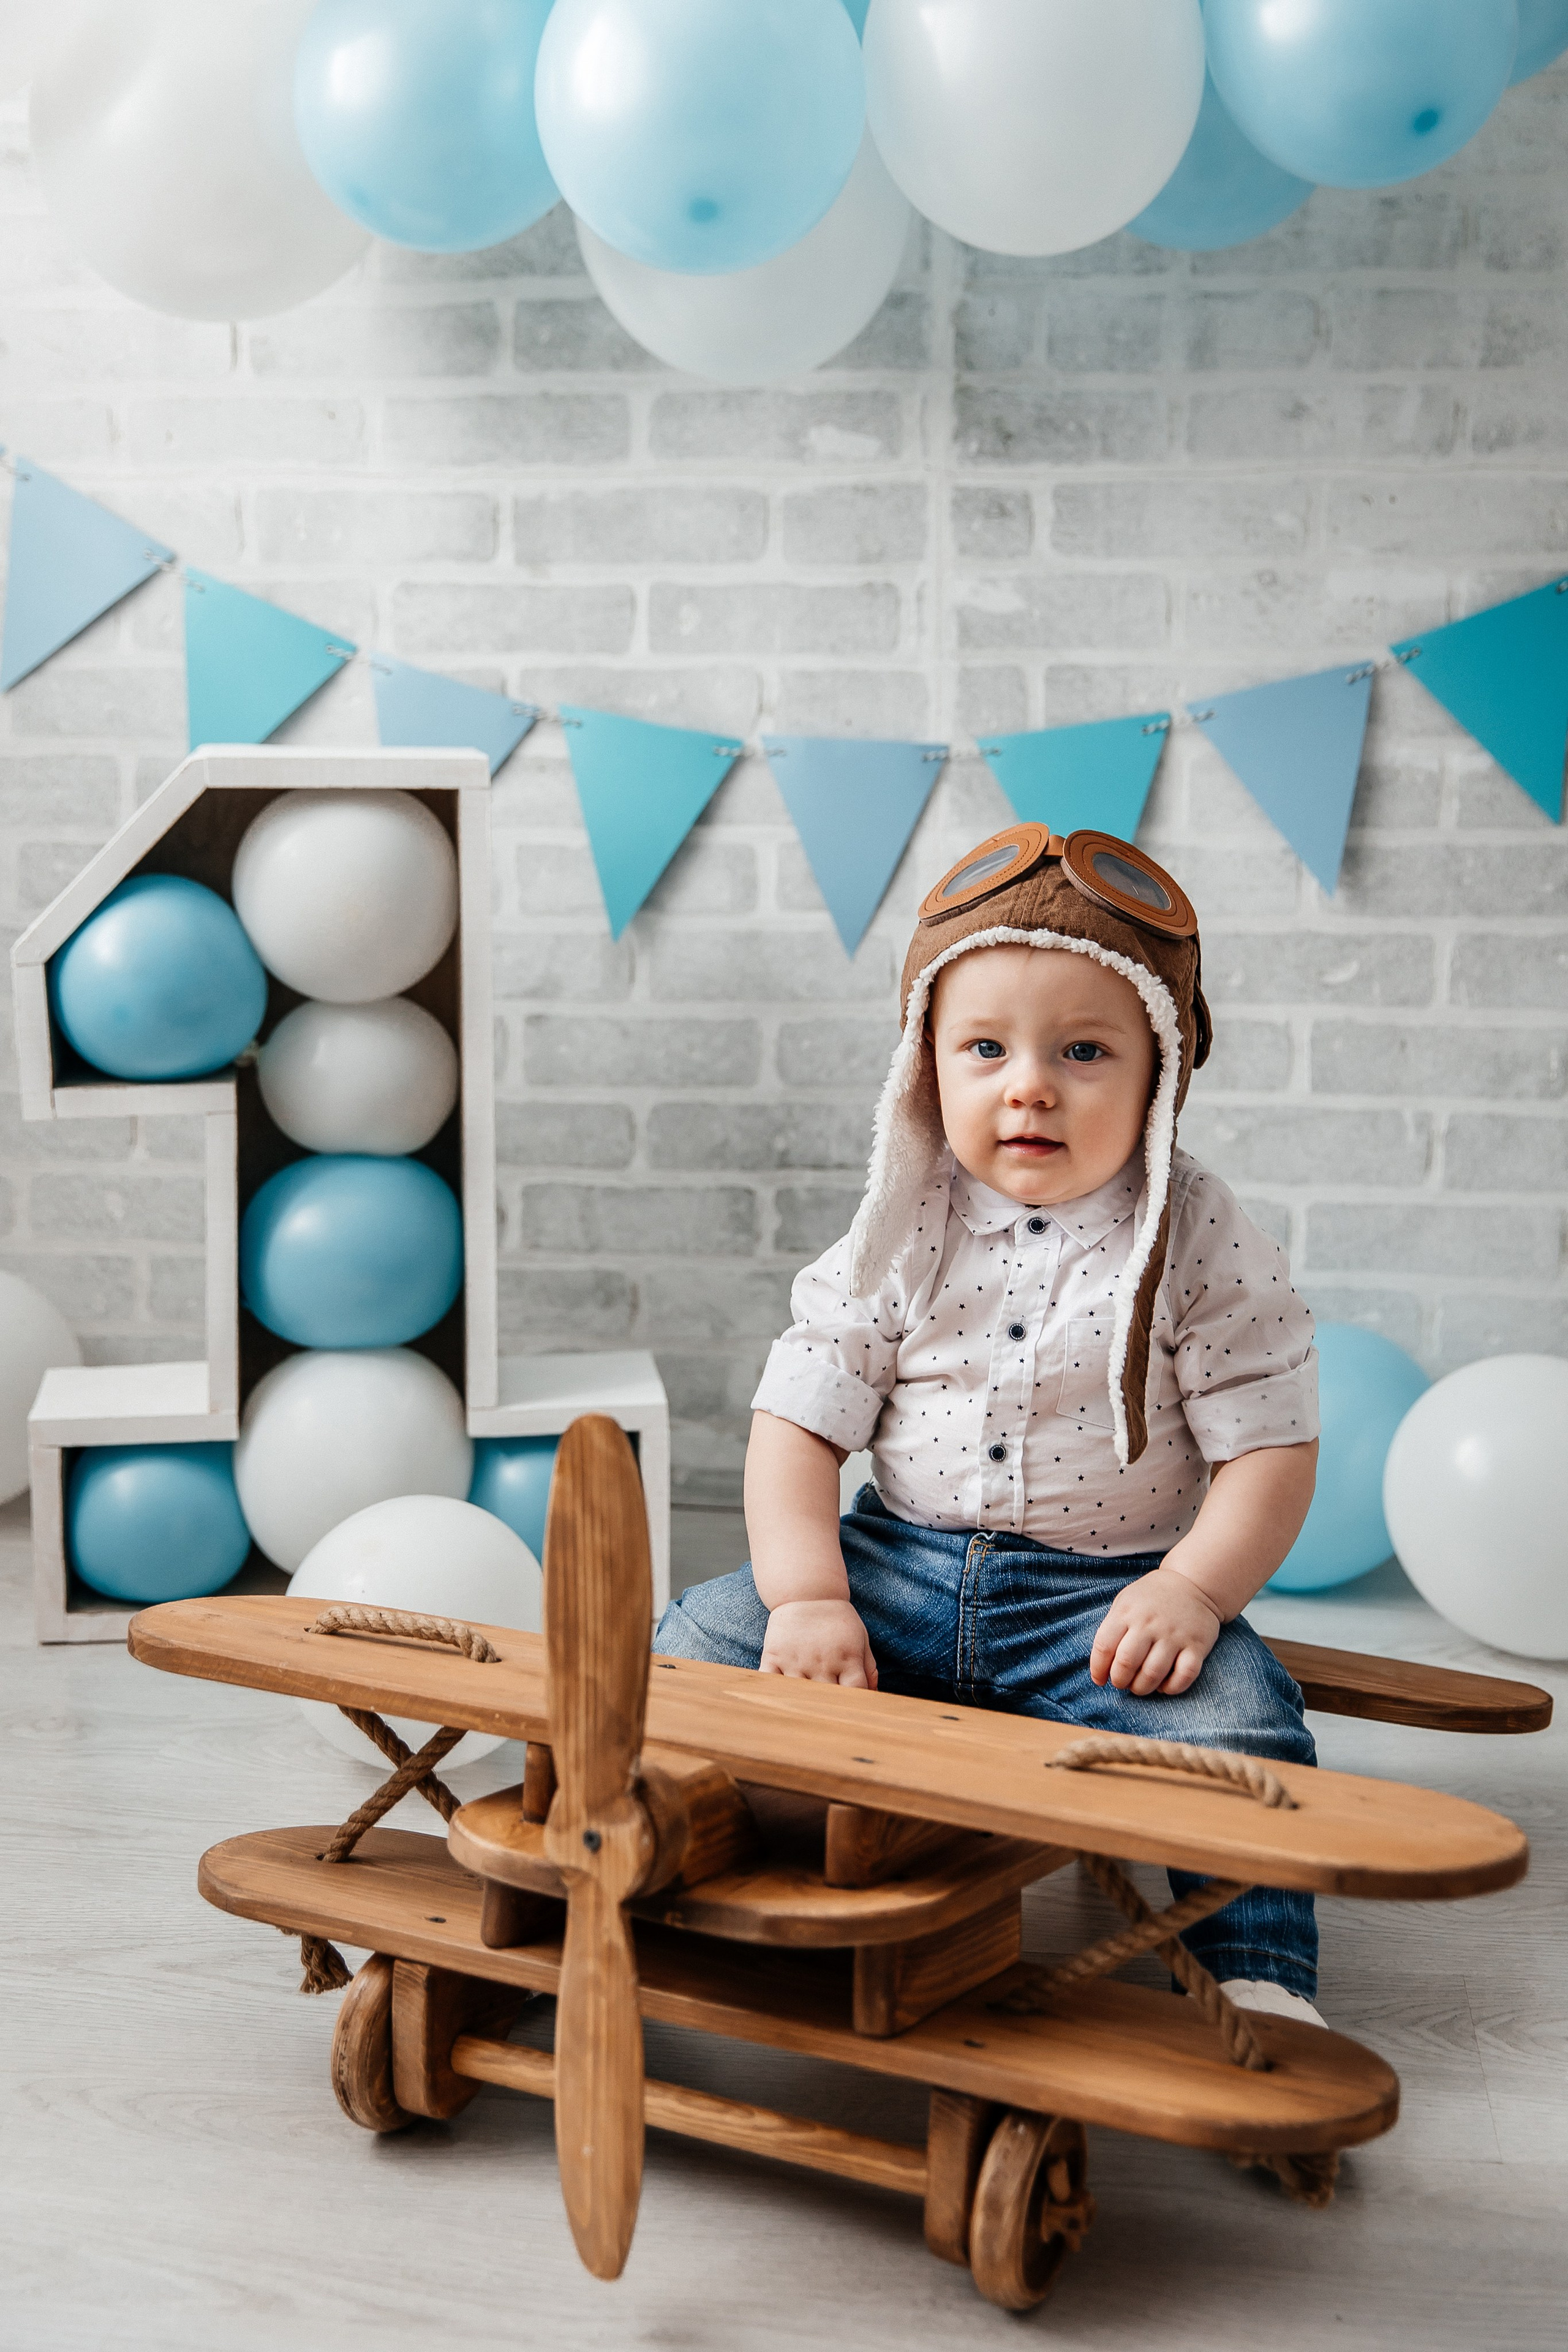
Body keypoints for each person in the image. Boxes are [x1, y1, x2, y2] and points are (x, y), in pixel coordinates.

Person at [654, 820, 1324, 2024]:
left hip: (1101, 1602)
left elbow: (1266, 1441)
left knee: (1240, 1721)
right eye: (984, 1048)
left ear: (1155, 1072)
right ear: (925, 1068)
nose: (1028, 1085)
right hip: (896, 1571)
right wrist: (808, 1594)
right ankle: (668, 1846)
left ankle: (1256, 1979)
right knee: (698, 1636)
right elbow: (797, 1422)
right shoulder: (901, 1224)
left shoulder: (1197, 1235)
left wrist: (1194, 1592)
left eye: (1080, 1050)